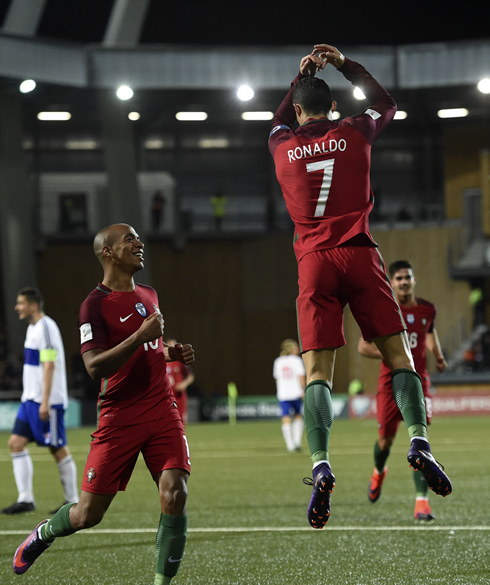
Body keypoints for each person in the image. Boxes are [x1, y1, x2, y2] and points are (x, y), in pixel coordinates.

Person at [268, 44, 452, 529]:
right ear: (333, 107)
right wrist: (345, 65)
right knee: (400, 359)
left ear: (299, 109)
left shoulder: (282, 144)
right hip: (359, 251)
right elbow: (385, 101)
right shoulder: (354, 130)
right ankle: (418, 439)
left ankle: (322, 463)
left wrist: (299, 78)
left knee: (318, 376)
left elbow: (278, 118)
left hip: (313, 261)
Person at [13, 224, 194, 585]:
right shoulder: (93, 306)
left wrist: (168, 352)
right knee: (87, 515)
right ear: (107, 252)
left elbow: (150, 347)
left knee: (175, 492)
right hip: (119, 417)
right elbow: (95, 365)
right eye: (130, 239)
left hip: (162, 409)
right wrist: (140, 335)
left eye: (138, 238)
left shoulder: (149, 293)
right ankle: (44, 533)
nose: (139, 243)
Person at [358, 261, 447, 521]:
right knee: (385, 440)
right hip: (390, 382)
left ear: (414, 279)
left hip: (420, 381)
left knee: (419, 441)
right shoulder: (384, 309)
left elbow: (429, 332)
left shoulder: (427, 309)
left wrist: (438, 356)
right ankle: (379, 469)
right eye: (399, 278)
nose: (404, 282)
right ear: (391, 282)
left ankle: (421, 503)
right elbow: (363, 347)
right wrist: (393, 354)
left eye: (407, 277)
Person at [2, 287, 78, 516]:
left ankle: (72, 500)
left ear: (33, 306)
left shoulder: (45, 327)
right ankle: (26, 499)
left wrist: (45, 401)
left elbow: (49, 364)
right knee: (15, 443)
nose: (17, 307)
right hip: (30, 400)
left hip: (47, 400)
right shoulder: (33, 328)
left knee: (57, 448)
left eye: (20, 303)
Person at [273, 339, 306, 452]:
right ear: (292, 349)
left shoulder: (278, 361)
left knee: (285, 417)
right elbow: (301, 376)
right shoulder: (296, 360)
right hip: (296, 392)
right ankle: (297, 442)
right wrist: (304, 389)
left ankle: (290, 445)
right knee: (298, 416)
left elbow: (277, 378)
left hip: (283, 393)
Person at [166, 338, 195, 426]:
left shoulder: (179, 362)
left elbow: (190, 376)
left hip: (179, 396)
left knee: (181, 421)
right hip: (166, 396)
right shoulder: (161, 361)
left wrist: (184, 384)